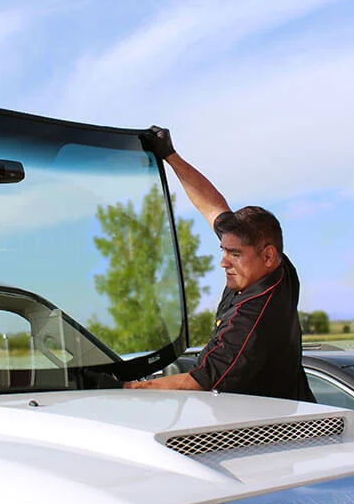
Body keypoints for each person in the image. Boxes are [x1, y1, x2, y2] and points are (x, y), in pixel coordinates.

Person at [125, 126, 315, 402]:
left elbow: (196, 383)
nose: (223, 262)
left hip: (265, 433)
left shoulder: (252, 319)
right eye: (223, 250)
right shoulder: (278, 268)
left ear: (268, 256)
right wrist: (169, 155)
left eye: (234, 254)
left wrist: (126, 388)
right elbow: (213, 207)